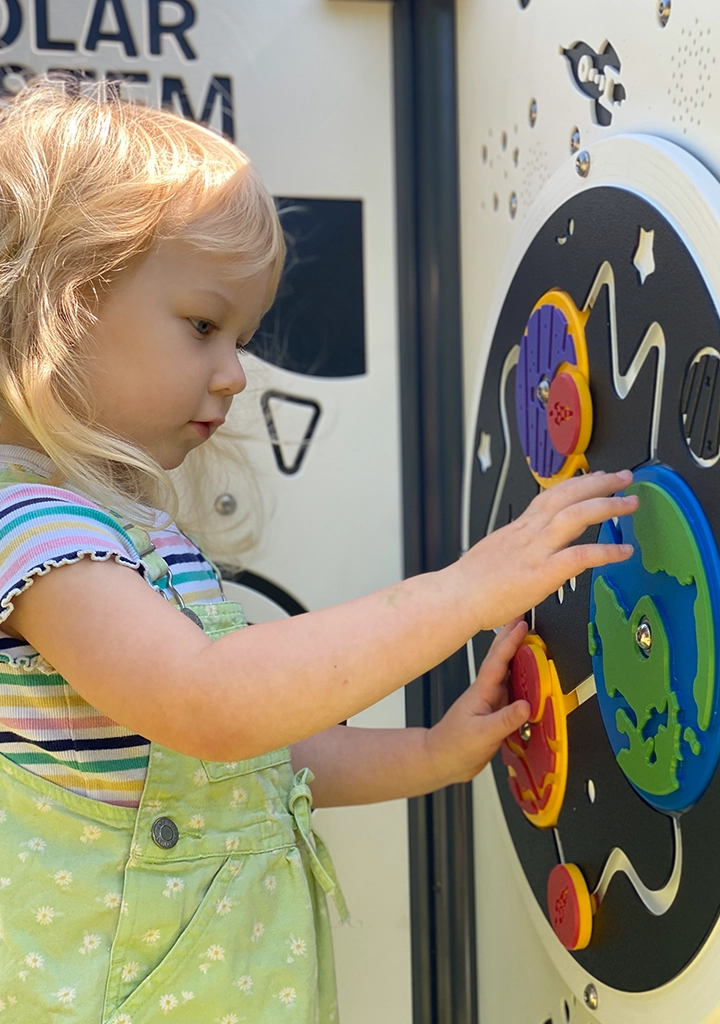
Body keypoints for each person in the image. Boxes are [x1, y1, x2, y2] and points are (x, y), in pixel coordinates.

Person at [0, 74, 637, 1024]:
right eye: (205, 326)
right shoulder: (35, 536)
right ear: (67, 307)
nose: (235, 374)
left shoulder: (139, 539)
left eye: (244, 337)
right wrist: (464, 591)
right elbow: (211, 706)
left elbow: (248, 755)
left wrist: (426, 752)